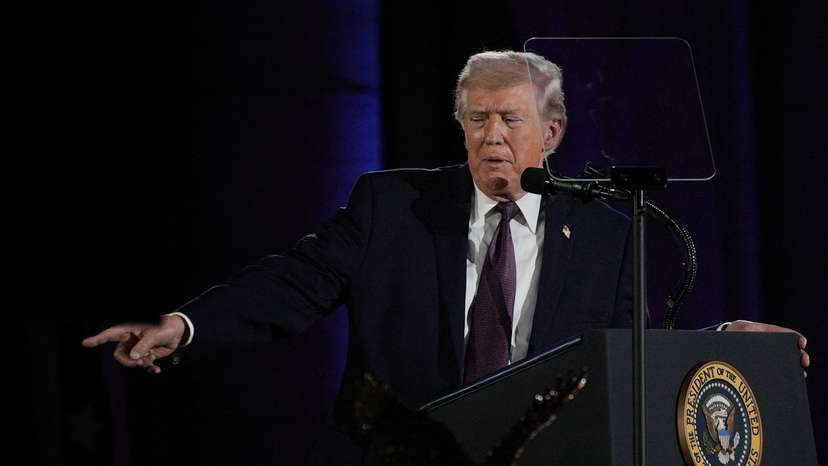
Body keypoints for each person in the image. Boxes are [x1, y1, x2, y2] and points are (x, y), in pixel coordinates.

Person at [82, 50, 809, 460]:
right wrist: (182, 327)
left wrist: (723, 349)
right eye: (477, 118)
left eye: (510, 119)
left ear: (550, 133)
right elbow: (291, 283)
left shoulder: (606, 231)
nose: (492, 135)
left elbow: (629, 358)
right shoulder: (390, 207)